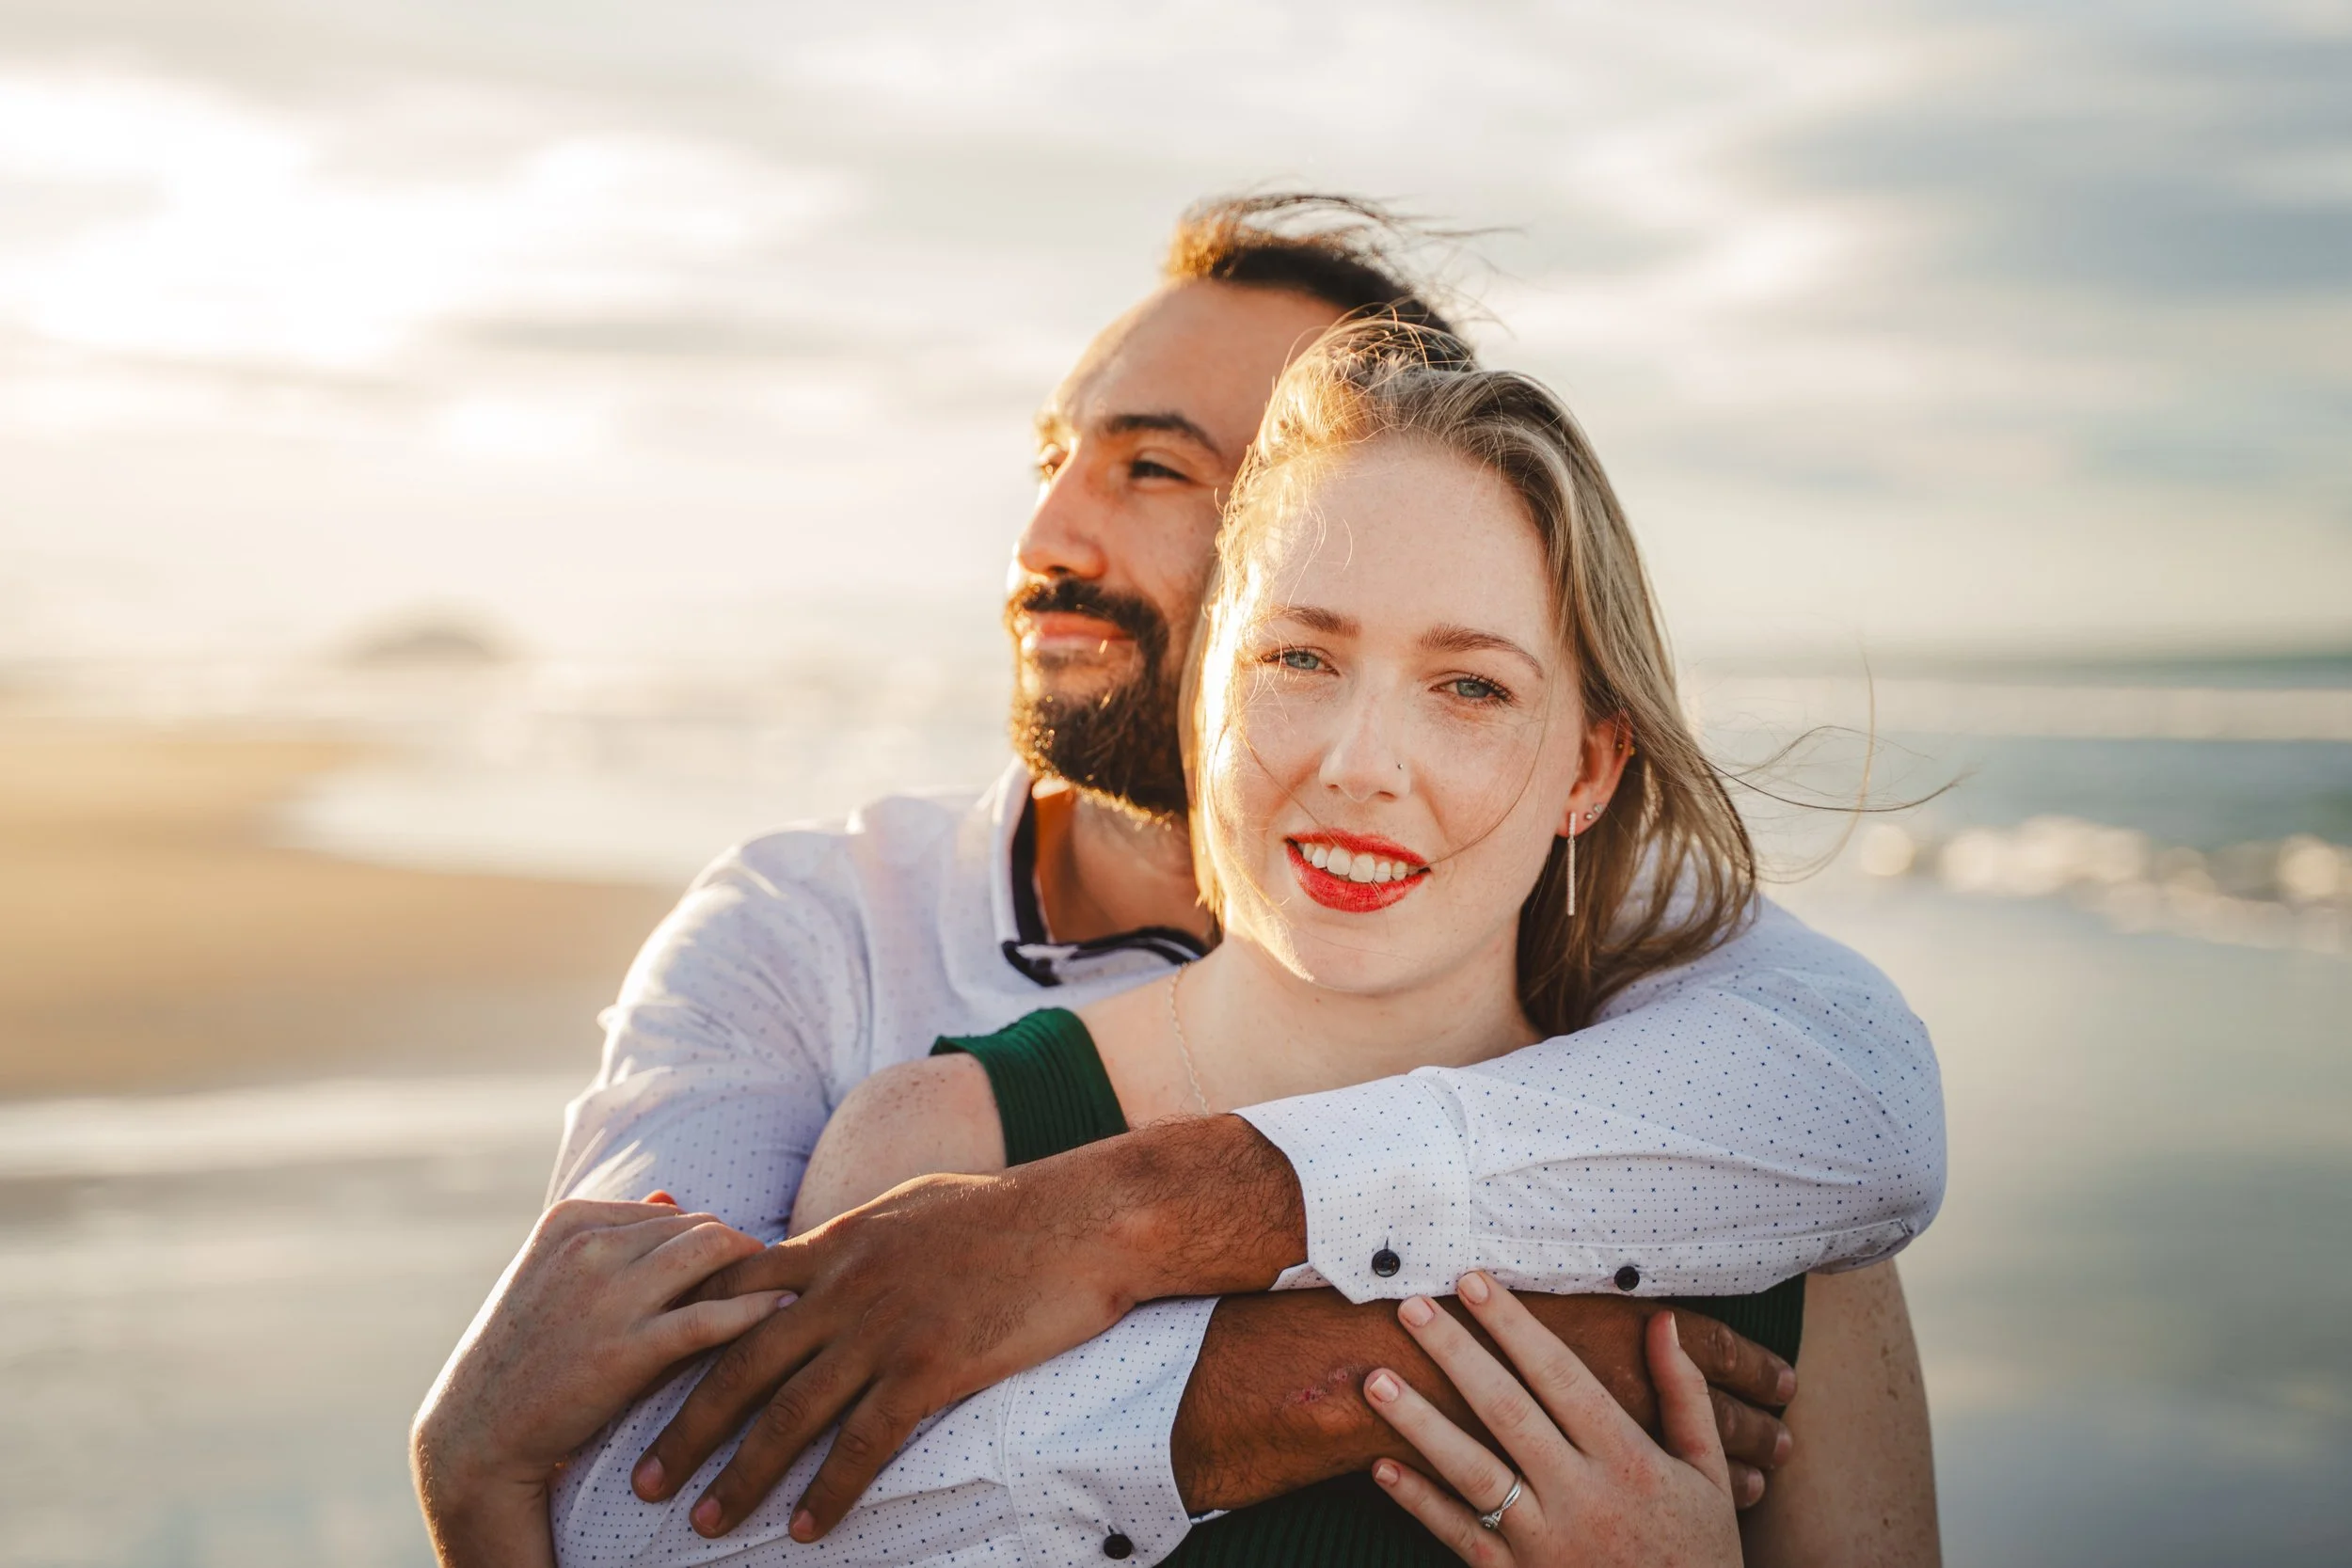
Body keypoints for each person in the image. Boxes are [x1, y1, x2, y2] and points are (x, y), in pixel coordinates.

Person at [412, 197, 1942, 1567]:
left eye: (1468, 686)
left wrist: (1123, 1227)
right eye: (1304, 653)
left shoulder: (1731, 1139)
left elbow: (1867, 1101)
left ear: (1586, 770)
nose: (1361, 757)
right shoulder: (876, 1049)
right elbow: (643, 1511)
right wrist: (1339, 1377)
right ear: (1222, 664)